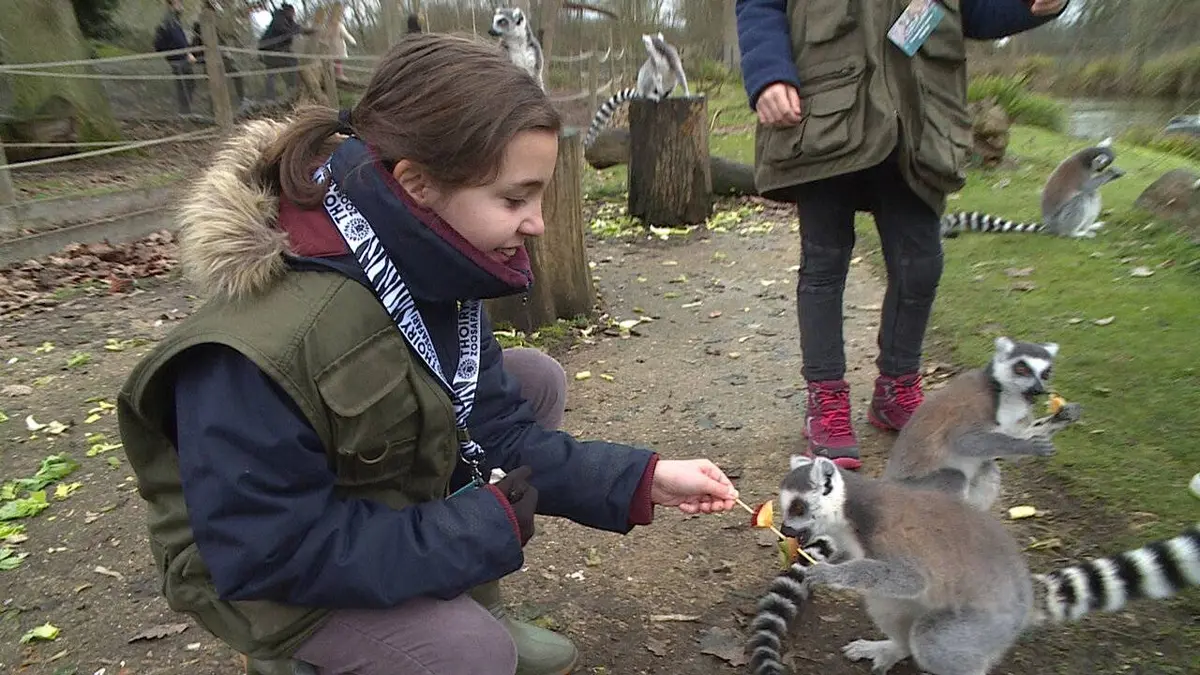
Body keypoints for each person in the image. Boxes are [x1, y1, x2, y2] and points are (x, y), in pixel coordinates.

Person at [116, 32, 740, 675]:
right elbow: (266, 550)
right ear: (415, 183)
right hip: (259, 569)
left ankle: (466, 602)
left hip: (345, 506)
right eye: (514, 199)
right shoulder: (270, 341)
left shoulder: (422, 250)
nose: (538, 224)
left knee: (534, 380)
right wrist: (471, 531)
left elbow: (495, 428)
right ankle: (296, 657)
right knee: (473, 657)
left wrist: (643, 479)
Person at [736, 0, 1070, 469]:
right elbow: (759, 5)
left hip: (917, 121)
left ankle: (896, 389)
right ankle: (826, 399)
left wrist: (1032, 6)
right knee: (825, 261)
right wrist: (768, 74)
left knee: (921, 265)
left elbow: (974, 11)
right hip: (825, 112)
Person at [152, 0, 196, 116]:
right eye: (178, 3)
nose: (181, 6)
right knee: (185, 85)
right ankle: (184, 112)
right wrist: (185, 54)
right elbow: (175, 40)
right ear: (170, 5)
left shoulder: (175, 21)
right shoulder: (169, 21)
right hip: (178, 59)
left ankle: (185, 111)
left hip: (180, 58)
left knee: (189, 84)